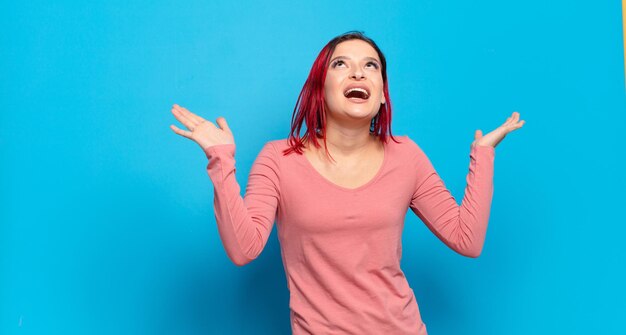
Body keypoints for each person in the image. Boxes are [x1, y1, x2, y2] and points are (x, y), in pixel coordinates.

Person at [170, 31, 524, 335]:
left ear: (382, 94)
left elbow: (467, 239)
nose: (358, 71)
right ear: (319, 88)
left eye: (371, 66)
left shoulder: (407, 157)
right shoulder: (279, 159)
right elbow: (243, 249)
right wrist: (220, 158)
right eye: (341, 64)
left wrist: (482, 154)